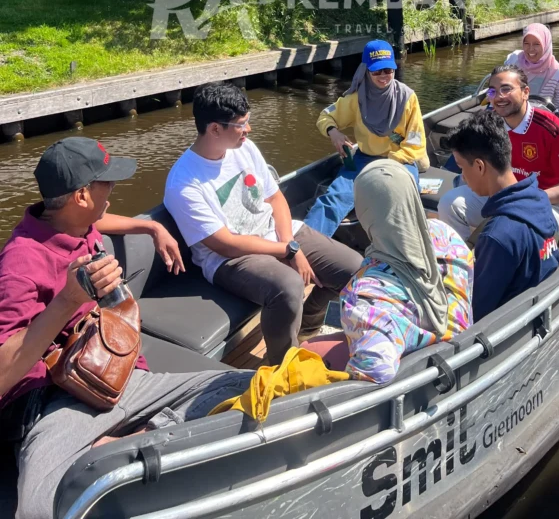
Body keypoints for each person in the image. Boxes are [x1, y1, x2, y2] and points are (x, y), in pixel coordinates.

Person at [0, 136, 255, 519]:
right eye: (108, 183)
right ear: (82, 196)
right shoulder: (20, 263)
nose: (114, 191)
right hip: (58, 400)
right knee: (39, 510)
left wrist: (150, 228)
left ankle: (130, 439)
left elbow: (99, 219)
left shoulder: (76, 222)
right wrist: (68, 300)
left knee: (244, 384)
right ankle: (128, 443)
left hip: (119, 372)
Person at [164, 82, 363, 366]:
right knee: (288, 286)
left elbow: (276, 198)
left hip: (276, 235)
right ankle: (282, 366)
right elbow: (226, 244)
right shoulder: (184, 183)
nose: (249, 130)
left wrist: (289, 245)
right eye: (242, 125)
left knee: (355, 270)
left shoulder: (244, 148)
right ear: (215, 129)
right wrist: (289, 252)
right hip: (228, 259)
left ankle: (306, 324)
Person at [305, 161, 472, 383]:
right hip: (459, 354)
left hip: (418, 381)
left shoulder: (365, 296)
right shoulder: (449, 237)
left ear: (365, 213)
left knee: (306, 349)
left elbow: (374, 377)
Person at [439, 63, 559, 241]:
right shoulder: (489, 124)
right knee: (450, 203)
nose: (499, 97)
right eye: (492, 91)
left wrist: (520, 199)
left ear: (525, 92)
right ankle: (463, 262)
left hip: (550, 204)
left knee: (511, 225)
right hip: (503, 195)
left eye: (506, 89)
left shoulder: (552, 129)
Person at [306, 39, 427, 237]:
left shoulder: (408, 98)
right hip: (364, 159)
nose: (383, 76)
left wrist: (387, 166)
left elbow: (415, 145)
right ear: (366, 71)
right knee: (334, 198)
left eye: (388, 70)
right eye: (376, 71)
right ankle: (304, 246)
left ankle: (405, 250)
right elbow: (325, 116)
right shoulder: (355, 99)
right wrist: (333, 132)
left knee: (401, 197)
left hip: (399, 160)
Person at [446, 112, 558, 320]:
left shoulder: (498, 236)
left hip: (507, 332)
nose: (462, 176)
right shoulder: (539, 200)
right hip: (538, 310)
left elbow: (474, 313)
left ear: (479, 166)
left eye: (461, 167)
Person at [503, 23, 559, 113]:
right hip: (511, 114)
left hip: (541, 120)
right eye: (526, 43)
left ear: (546, 44)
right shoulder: (513, 60)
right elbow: (502, 88)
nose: (531, 49)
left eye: (536, 44)